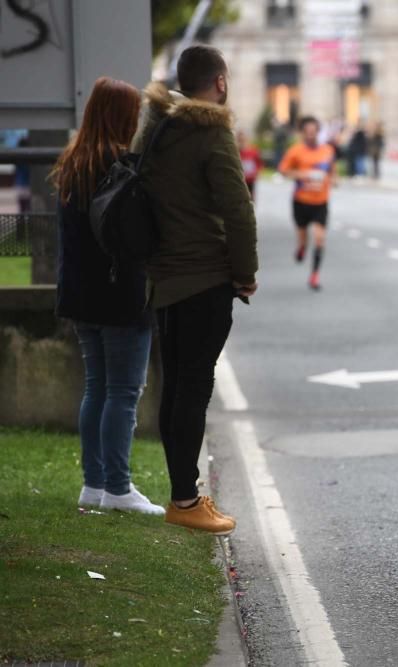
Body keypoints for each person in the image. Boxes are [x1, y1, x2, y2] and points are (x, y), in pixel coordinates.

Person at [132, 45, 258, 534]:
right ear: (220, 83)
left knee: (176, 385)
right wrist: (244, 272)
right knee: (193, 386)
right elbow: (238, 210)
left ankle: (181, 492)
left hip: (164, 276)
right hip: (205, 276)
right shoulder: (211, 132)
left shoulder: (157, 127)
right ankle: (186, 501)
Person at [51, 77, 163, 516]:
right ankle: (117, 488)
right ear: (123, 116)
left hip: (79, 295)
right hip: (120, 296)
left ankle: (93, 485)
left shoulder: (71, 164)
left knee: (96, 388)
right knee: (123, 392)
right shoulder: (124, 169)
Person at [278, 116, 337, 290]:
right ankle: (301, 248)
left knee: (319, 239)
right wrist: (301, 175)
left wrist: (334, 179)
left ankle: (314, 276)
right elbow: (283, 170)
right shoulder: (295, 151)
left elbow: (332, 170)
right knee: (304, 239)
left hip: (321, 201)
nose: (311, 135)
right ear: (303, 133)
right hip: (301, 201)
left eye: (314, 132)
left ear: (318, 132)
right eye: (307, 132)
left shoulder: (327, 151)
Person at [237, 130, 263, 201]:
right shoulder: (236, 152)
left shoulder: (253, 151)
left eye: (243, 139)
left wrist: (258, 173)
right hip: (240, 179)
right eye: (240, 140)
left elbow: (259, 163)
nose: (242, 142)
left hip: (251, 179)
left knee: (250, 197)